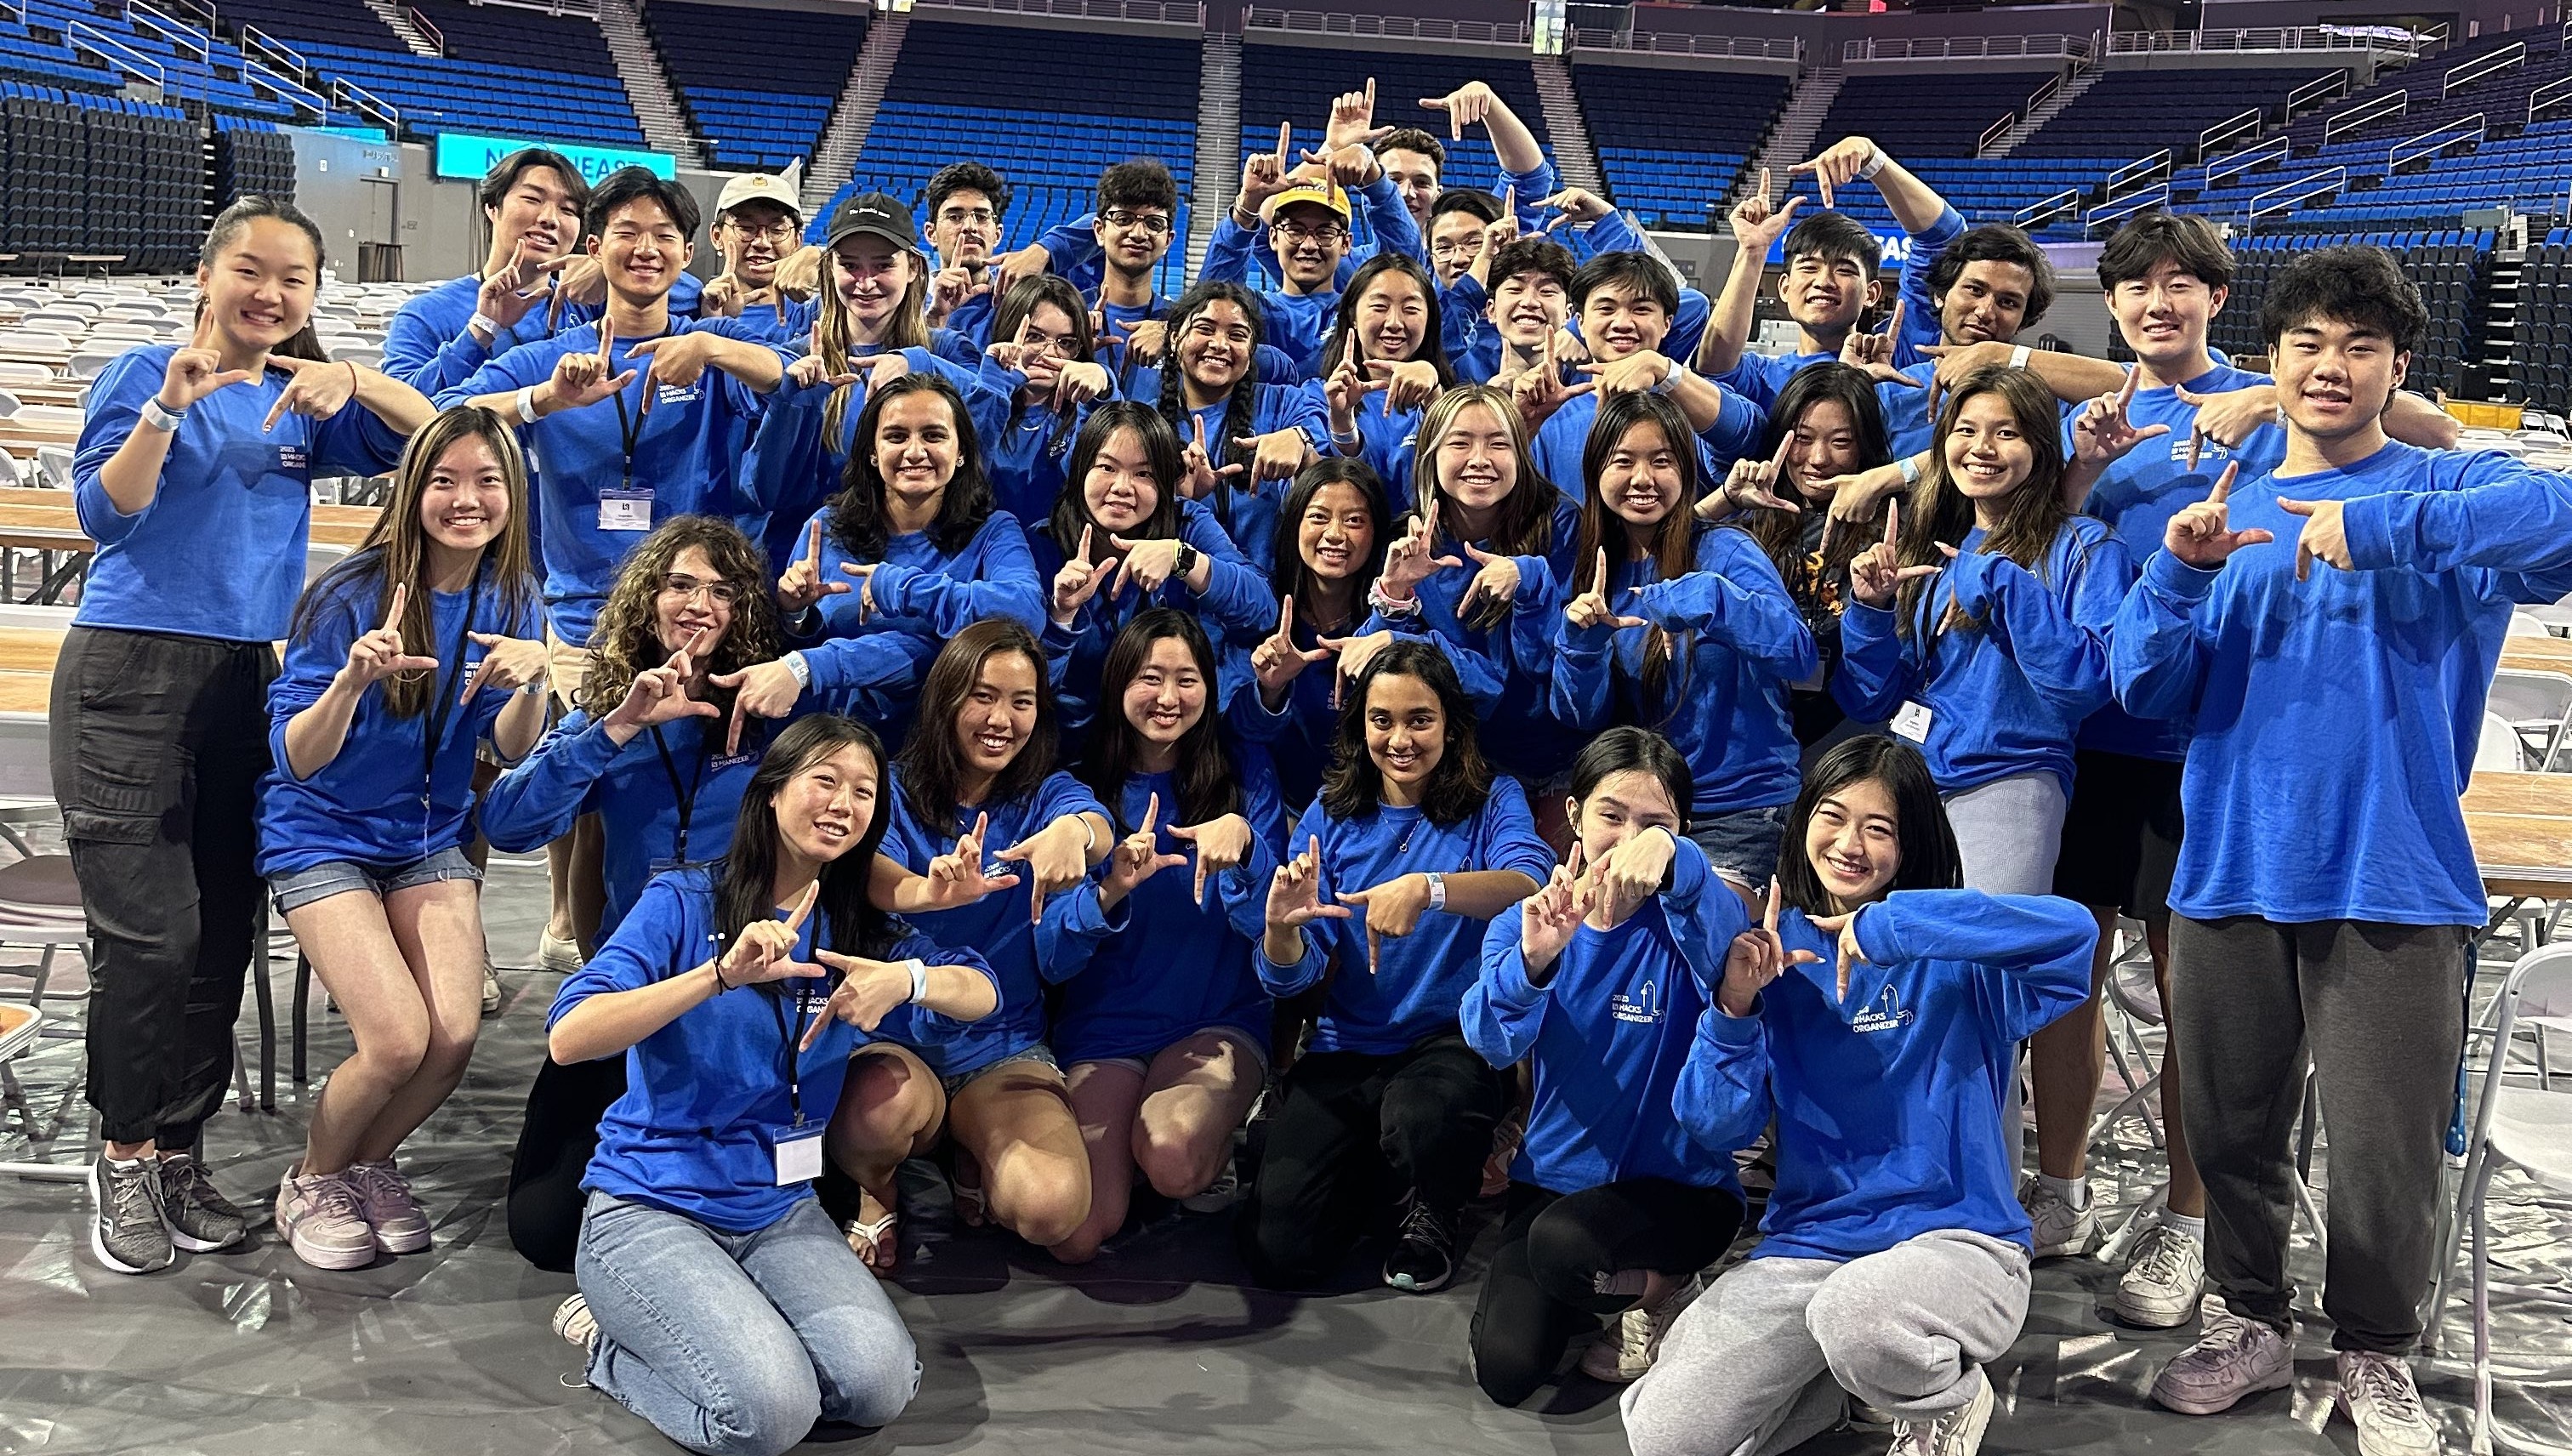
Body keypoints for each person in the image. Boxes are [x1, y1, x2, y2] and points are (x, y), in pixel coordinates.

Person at [2112, 243, 2572, 1454]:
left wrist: (2385, 532)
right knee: (2230, 1133)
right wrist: (2173, 572)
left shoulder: (2442, 500)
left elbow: (2565, 517)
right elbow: (2145, 684)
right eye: (2308, 343)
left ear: (2397, 368)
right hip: (2230, 870)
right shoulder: (2223, 510)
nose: (2332, 366)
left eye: (2360, 346)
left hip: (2397, 872)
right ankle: (2251, 1323)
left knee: (2387, 1149)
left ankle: (2375, 1354)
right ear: (2270, 362)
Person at [64, 196, 433, 1276]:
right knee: (152, 942)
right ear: (206, 275)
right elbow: (106, 515)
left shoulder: (298, 400)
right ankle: (124, 1151)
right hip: (130, 671)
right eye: (251, 272)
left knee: (224, 934)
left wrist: (354, 378)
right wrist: (167, 411)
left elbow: (442, 434)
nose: (270, 295)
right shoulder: (144, 373)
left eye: (295, 280)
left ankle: (180, 1148)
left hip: (244, 677)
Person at [1623, 735, 2095, 1456]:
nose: (1850, 844)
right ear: (1804, 817)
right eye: (1833, 817)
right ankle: (1828, 1392)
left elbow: (2075, 935)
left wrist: (1895, 925)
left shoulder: (1956, 957)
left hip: (1959, 1244)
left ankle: (1947, 1401)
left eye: (1880, 829)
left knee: (1860, 1317)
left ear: (1912, 846)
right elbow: (1714, 1124)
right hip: (1809, 1248)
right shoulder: (1774, 951)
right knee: (1664, 1435)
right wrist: (1733, 1010)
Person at [545, 714, 999, 1456]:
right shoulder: (685, 901)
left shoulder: (849, 926)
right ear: (770, 795)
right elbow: (569, 1036)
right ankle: (610, 1348)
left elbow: (981, 993)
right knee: (767, 1416)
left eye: (863, 791)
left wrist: (909, 980)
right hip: (652, 1206)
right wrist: (717, 976)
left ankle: (721, 1323)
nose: (843, 804)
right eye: (824, 780)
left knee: (879, 1388)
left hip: (776, 1210)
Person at [441, 166, 790, 970]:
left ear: (690, 251)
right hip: (582, 623)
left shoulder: (718, 353)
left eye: (664, 236)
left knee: (688, 800)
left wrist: (711, 346)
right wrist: (542, 405)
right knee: (597, 802)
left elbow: (804, 385)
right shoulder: (551, 355)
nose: (646, 249)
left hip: (704, 624)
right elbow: (446, 416)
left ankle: (696, 970)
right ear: (595, 248)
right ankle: (599, 969)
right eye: (627, 234)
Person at [261, 406, 547, 1269]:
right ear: (413, 488)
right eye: (445, 479)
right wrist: (349, 683)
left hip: (426, 838)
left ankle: (369, 1165)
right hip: (322, 834)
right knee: (395, 1039)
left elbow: (508, 746)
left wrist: (535, 681)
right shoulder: (349, 593)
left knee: (453, 1036)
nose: (467, 498)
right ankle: (313, 1178)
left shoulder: (513, 594)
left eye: (487, 480)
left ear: (512, 495)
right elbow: (296, 759)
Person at [485, 515, 789, 1273]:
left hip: (745, 1000)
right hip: (633, 995)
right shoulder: (612, 716)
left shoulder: (775, 725)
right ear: (646, 598)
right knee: (546, 1231)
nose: (699, 605)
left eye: (722, 591)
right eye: (680, 584)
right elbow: (510, 825)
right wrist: (614, 728)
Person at [1243, 640, 1553, 1294]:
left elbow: (1531, 882)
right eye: (1383, 720)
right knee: (1283, 1254)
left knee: (1425, 1114)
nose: (1401, 738)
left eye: (1420, 719)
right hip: (1346, 1045)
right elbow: (1292, 977)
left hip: (1450, 1042)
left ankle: (1435, 1207)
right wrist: (1280, 929)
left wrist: (1429, 888)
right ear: (1361, 726)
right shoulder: (1331, 816)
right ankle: (1383, 1176)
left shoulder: (1494, 799)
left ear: (1450, 726)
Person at [1462, 727, 1750, 1402]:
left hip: (1682, 1193)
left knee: (1566, 1250)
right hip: (1557, 1182)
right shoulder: (1526, 920)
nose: (1628, 839)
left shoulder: (1697, 925)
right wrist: (1535, 964)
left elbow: (1720, 914)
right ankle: (1599, 1292)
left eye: (1654, 822)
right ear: (1574, 815)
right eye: (1611, 815)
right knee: (1507, 1371)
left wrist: (1675, 857)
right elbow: (1491, 1042)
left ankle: (1669, 1285)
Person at [822, 620, 1115, 1260]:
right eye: (982, 696)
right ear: (946, 697)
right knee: (873, 1115)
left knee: (1052, 1211)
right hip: (897, 1040)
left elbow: (1097, 826)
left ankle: (971, 1148)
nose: (1000, 719)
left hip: (1001, 1046)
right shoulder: (892, 785)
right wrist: (931, 890)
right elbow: (874, 874)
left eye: (1021, 701)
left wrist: (1077, 836)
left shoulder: (1044, 793)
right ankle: (879, 1189)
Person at [1831, 365, 2129, 896]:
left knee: (1979, 964)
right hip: (1905, 784)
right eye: (1965, 430)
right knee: (1894, 962)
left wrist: (2005, 586)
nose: (1982, 448)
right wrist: (1870, 610)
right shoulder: (1929, 546)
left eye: (2006, 432)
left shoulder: (2086, 546)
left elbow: (2082, 688)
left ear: (2040, 446)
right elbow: (1869, 701)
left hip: (2010, 779)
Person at [1049, 609, 1289, 1261]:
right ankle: (1133, 1153)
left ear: (1210, 690)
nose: (1168, 697)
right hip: (1105, 1026)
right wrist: (1109, 892)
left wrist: (1244, 851)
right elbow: (1052, 954)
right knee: (1077, 1233)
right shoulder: (1077, 787)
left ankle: (1200, 1141)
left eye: (1187, 679)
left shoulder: (1245, 770)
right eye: (1150, 678)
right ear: (1118, 684)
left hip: (1216, 1017)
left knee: (1175, 1156)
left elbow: (1281, 932)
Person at [1555, 392, 1815, 896]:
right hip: (1644, 813)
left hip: (1745, 810)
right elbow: (1582, 718)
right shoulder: (1596, 570)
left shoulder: (1724, 549)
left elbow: (1799, 655)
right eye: (1623, 461)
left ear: (1686, 469)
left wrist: (1711, 598)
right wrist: (1583, 643)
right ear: (1595, 473)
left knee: (1701, 950)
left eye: (1662, 461)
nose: (1642, 479)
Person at [727, 371, 1048, 745]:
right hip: (831, 742)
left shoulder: (994, 531)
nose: (914, 452)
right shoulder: (826, 528)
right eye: (896, 436)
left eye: (933, 435)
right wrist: (795, 615)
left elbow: (1025, 615)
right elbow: (787, 655)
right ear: (872, 453)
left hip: (936, 747)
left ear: (960, 453)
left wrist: (902, 588)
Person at [737, 191, 993, 579]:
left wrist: (917, 362)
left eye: (883, 265)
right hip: (809, 575)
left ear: (913, 269)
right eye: (850, 265)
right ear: (829, 271)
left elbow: (989, 427)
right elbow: (767, 492)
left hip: (925, 572)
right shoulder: (797, 360)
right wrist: (792, 406)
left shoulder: (946, 351)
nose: (866, 281)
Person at [1358, 384, 1578, 804]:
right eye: (1460, 443)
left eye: (1499, 444)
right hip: (1455, 760)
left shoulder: (1558, 523)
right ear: (1431, 455)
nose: (1480, 460)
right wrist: (1395, 596)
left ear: (1520, 456)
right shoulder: (1412, 537)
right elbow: (1391, 672)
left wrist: (1531, 583)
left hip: (1555, 757)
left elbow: (1548, 666)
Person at [1029, 402, 1277, 736]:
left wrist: (1183, 559)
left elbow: (1262, 608)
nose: (1122, 486)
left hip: (1175, 736)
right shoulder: (1043, 543)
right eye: (1106, 467)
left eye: (1143, 474)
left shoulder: (1185, 522)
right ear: (1079, 471)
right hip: (1074, 746)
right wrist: (1062, 616)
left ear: (1164, 484)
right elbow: (1031, 689)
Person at [1700, 361, 1897, 747]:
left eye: (1841, 442)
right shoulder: (1753, 519)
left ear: (1866, 445)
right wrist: (1724, 500)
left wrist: (1885, 479)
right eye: (1803, 439)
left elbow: (1946, 462)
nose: (1818, 458)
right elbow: (1660, 558)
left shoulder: (1892, 526)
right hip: (1754, 730)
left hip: (1852, 732)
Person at [1699, 140, 1964, 412]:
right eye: (1809, 267)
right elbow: (1713, 365)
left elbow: (1944, 239)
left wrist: (1874, 160)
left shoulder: (1897, 349)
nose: (1824, 281)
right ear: (1785, 287)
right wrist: (1752, 252)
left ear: (1871, 294)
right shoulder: (1761, 378)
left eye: (1844, 270)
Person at [1517, 252, 1762, 497]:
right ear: (1579, 323)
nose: (1623, 323)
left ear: (1667, 324)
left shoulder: (1690, 403)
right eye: (1606, 308)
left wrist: (1663, 370)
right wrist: (1523, 426)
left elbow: (1749, 437)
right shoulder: (1547, 414)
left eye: (1641, 310)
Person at [1135, 280, 1329, 566]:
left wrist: (1301, 441)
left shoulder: (1286, 406)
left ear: (1252, 353)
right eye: (1204, 329)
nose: (1220, 344)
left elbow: (1328, 473)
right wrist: (1179, 499)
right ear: (1174, 340)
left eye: (1237, 335)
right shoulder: (1147, 425)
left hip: (1271, 594)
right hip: (1172, 595)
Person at [1242, 458, 1392, 807]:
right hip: (1287, 812)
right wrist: (1271, 691)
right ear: (1295, 523)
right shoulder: (1265, 611)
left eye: (1354, 521)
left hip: (1377, 815)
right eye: (1319, 517)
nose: (1335, 534)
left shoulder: (1389, 618)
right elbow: (1239, 736)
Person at [1204, 137, 1422, 377]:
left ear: (1346, 243)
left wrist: (1372, 174)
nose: (1309, 245)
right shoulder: (1251, 310)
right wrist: (1247, 206)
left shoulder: (1358, 315)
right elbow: (1209, 296)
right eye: (1295, 231)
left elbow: (1405, 258)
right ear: (1274, 238)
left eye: (1325, 233)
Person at [381, 146, 590, 395]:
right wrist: (481, 330)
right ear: (492, 207)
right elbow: (395, 410)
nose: (550, 219)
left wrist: (606, 270)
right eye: (532, 199)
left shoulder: (591, 309)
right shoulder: (426, 314)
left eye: (568, 209)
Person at [970, 275, 1117, 526]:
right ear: (1008, 332)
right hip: (982, 553)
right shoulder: (981, 399)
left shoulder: (1084, 413)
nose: (1049, 352)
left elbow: (1089, 484)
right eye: (1034, 337)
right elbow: (964, 474)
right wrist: (995, 385)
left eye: (1065, 342)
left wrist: (1103, 387)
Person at [1312, 252, 1454, 509]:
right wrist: (1342, 422)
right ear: (1352, 314)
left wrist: (1434, 394)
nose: (1395, 323)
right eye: (1379, 307)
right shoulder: (1317, 396)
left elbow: (1456, 469)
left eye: (1411, 309)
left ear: (1429, 318)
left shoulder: (1453, 400)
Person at [695, 173, 811, 344]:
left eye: (777, 230)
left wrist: (822, 260)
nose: (762, 243)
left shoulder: (814, 316)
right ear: (717, 237)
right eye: (746, 228)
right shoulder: (686, 312)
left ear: (797, 241)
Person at [1466, 235, 1576, 389]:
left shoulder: (1588, 380)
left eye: (1546, 291)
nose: (1529, 302)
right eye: (1515, 289)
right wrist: (1489, 403)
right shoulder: (1461, 372)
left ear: (1567, 313)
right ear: (1492, 310)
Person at [922, 162, 1011, 347]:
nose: (970, 227)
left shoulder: (1017, 300)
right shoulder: (902, 303)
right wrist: (934, 319)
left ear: (997, 234)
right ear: (931, 234)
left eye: (981, 217)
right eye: (955, 217)